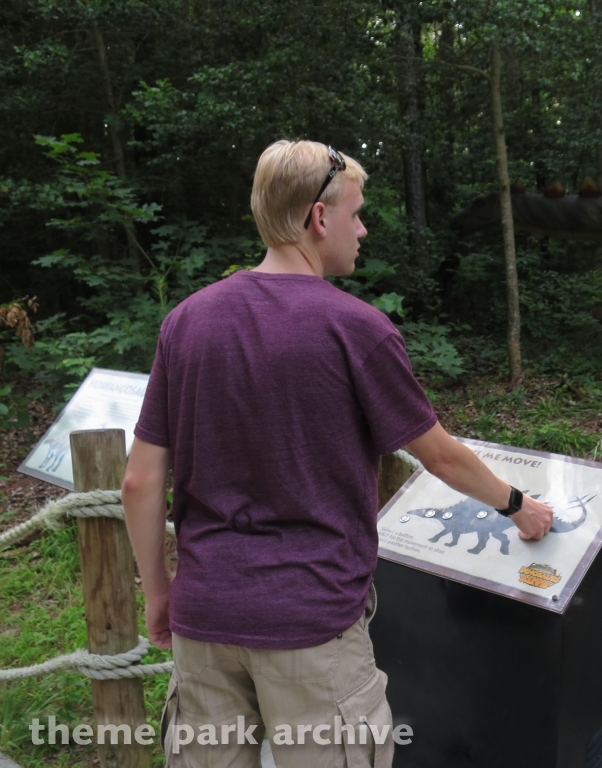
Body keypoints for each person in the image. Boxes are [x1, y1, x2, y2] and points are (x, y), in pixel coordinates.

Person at [121, 139, 554, 768]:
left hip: (204, 615)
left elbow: (139, 482)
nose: (363, 228)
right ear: (318, 219)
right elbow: (441, 458)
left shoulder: (186, 322)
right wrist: (520, 507)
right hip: (313, 625)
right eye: (356, 213)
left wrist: (159, 592)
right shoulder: (357, 329)